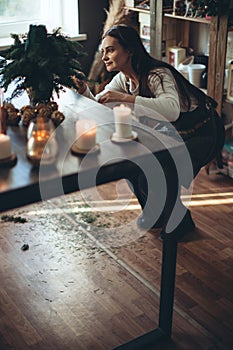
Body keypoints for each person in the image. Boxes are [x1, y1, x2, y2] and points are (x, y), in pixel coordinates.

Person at [74, 24, 225, 241]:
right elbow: (100, 106)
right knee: (133, 168)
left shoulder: (157, 74)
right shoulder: (122, 79)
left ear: (130, 50)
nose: (105, 56)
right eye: (104, 51)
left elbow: (171, 110)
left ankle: (181, 223)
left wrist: (127, 99)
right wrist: (83, 91)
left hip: (204, 131)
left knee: (161, 173)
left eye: (111, 50)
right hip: (177, 133)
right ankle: (155, 215)